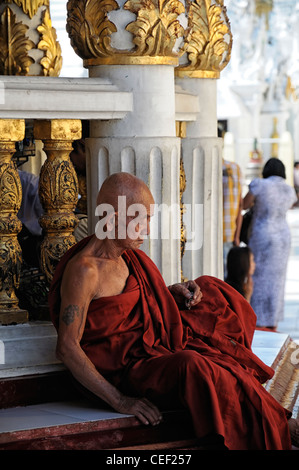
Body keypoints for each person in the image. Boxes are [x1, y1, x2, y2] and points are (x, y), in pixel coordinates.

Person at [48, 172, 299, 450]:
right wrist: (121, 400)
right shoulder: (85, 270)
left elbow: (133, 304)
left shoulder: (129, 258)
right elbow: (67, 348)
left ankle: (273, 419)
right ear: (115, 217)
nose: (147, 229)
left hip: (151, 349)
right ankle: (276, 427)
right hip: (125, 370)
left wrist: (170, 293)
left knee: (214, 293)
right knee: (194, 363)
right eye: (141, 219)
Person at [243, 158, 297, 330]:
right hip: (282, 237)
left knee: (257, 276)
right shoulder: (288, 189)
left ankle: (256, 320)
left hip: (262, 234)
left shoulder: (259, 184)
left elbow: (244, 204)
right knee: (277, 281)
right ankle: (272, 321)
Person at [222, 159, 243, 277]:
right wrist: (237, 236)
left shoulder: (206, 164)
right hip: (230, 232)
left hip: (207, 234)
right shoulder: (235, 168)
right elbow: (240, 205)